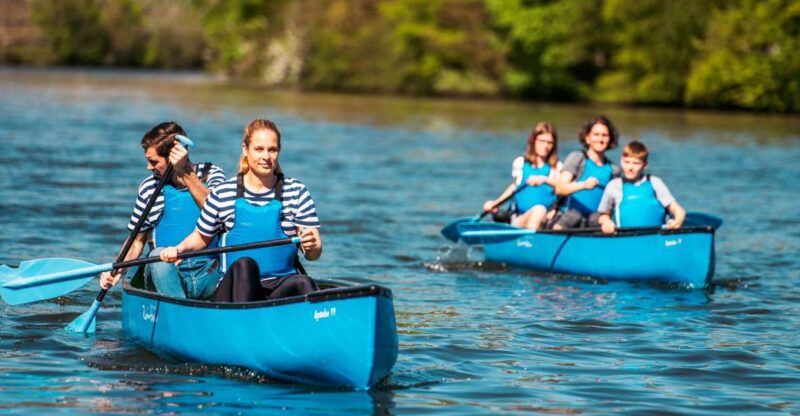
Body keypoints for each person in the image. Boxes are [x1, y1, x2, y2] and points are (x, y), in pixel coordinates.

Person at [159, 118, 322, 302]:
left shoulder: (296, 191)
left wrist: (311, 246)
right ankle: (245, 317)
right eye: (259, 149)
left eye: (272, 150)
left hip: (280, 284)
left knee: (303, 282)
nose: (266, 156)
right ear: (245, 149)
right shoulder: (223, 192)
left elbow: (314, 253)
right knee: (245, 265)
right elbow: (201, 237)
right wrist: (178, 249)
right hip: (233, 288)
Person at [99, 122, 226, 299]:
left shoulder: (212, 174)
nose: (148, 167)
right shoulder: (149, 187)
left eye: (153, 162)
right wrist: (117, 271)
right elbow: (136, 242)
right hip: (166, 273)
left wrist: (184, 171)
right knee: (158, 255)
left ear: (175, 155)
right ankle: (179, 308)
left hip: (208, 273)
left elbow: (216, 212)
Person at [483, 122, 561, 230]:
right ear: (533, 141)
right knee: (539, 210)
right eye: (542, 141)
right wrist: (495, 204)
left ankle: (534, 237)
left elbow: (561, 190)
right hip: (520, 219)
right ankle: (531, 238)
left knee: (541, 211)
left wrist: (544, 180)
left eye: (550, 142)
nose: (546, 146)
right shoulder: (520, 163)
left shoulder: (557, 167)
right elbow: (514, 188)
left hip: (546, 220)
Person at [597, 141, 686, 234]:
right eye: (626, 162)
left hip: (656, 237)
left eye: (636, 163)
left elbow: (678, 210)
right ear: (621, 161)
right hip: (625, 238)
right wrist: (606, 222)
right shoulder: (613, 185)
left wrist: (678, 220)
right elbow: (603, 215)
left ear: (645, 165)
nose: (630, 167)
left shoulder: (655, 183)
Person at [552, 115, 621, 229]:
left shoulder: (614, 170)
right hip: (569, 217)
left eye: (604, 135)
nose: (600, 139)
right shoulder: (577, 158)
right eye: (596, 134)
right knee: (574, 216)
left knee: (599, 219)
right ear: (587, 138)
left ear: (610, 139)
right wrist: (583, 185)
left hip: (594, 221)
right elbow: (560, 189)